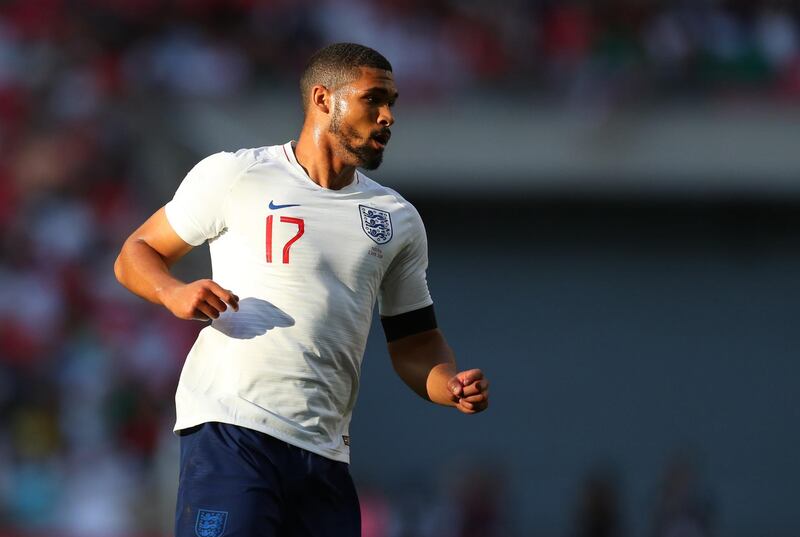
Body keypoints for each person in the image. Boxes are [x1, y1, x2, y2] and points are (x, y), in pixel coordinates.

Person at [114, 42, 489, 537]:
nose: (388, 117)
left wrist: (447, 384)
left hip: (325, 453)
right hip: (233, 430)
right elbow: (136, 252)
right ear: (323, 99)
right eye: (373, 99)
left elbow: (415, 339)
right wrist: (172, 293)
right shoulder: (237, 174)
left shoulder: (397, 219)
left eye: (392, 102)